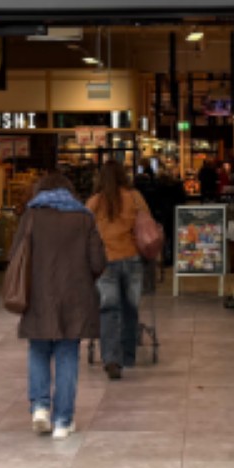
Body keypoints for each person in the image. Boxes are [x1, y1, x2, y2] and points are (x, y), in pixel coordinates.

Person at [12, 172, 106, 439]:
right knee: (67, 354)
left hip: (38, 296)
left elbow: (15, 255)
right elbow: (98, 262)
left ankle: (40, 408)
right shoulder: (84, 218)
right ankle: (63, 421)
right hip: (75, 297)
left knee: (38, 350)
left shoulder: (31, 216)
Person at [88, 160, 148, 379]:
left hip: (105, 261)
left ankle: (112, 359)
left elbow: (85, 230)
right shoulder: (135, 197)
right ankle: (128, 355)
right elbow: (147, 224)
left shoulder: (95, 202)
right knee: (130, 308)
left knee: (109, 310)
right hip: (132, 258)